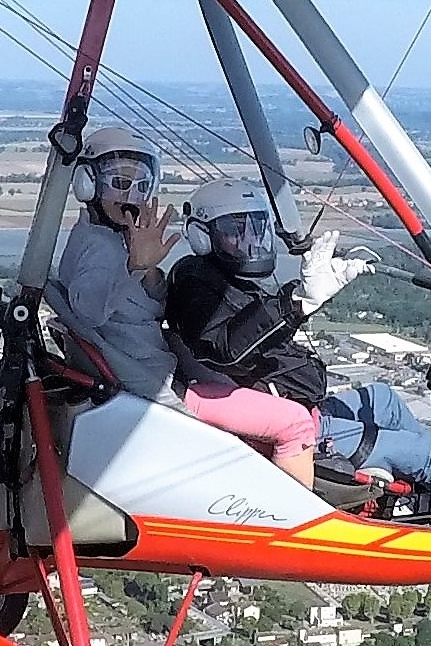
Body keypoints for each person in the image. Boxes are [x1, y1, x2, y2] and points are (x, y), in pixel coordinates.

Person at [164, 179, 431, 523]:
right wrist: (294, 302)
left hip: (297, 404)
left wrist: (295, 303)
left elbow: (248, 336)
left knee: (385, 398)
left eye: (255, 229)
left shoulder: (221, 280)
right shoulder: (195, 286)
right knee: (422, 451)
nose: (248, 241)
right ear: (202, 236)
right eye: (234, 232)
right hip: (290, 424)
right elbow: (226, 349)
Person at [55, 128, 318, 487]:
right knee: (296, 423)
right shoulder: (101, 250)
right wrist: (134, 266)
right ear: (88, 183)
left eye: (140, 184)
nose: (131, 195)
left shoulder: (103, 237)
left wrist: (145, 271)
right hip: (158, 386)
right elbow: (89, 310)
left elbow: (137, 305)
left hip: (158, 374)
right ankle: (298, 529)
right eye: (119, 182)